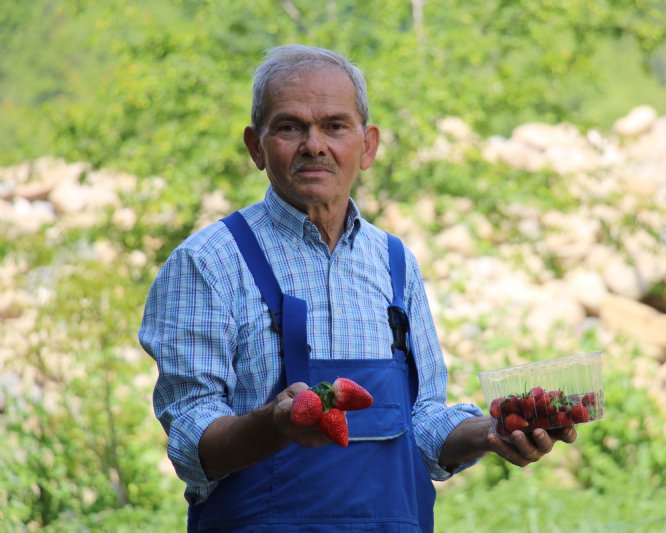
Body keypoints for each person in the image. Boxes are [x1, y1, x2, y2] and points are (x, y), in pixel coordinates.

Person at [139, 44, 577, 533]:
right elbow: (191, 444)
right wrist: (275, 425)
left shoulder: (394, 264)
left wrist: (491, 433)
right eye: (289, 127)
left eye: (334, 125)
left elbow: (422, 423)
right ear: (255, 147)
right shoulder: (208, 263)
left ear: (367, 146)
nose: (314, 144)